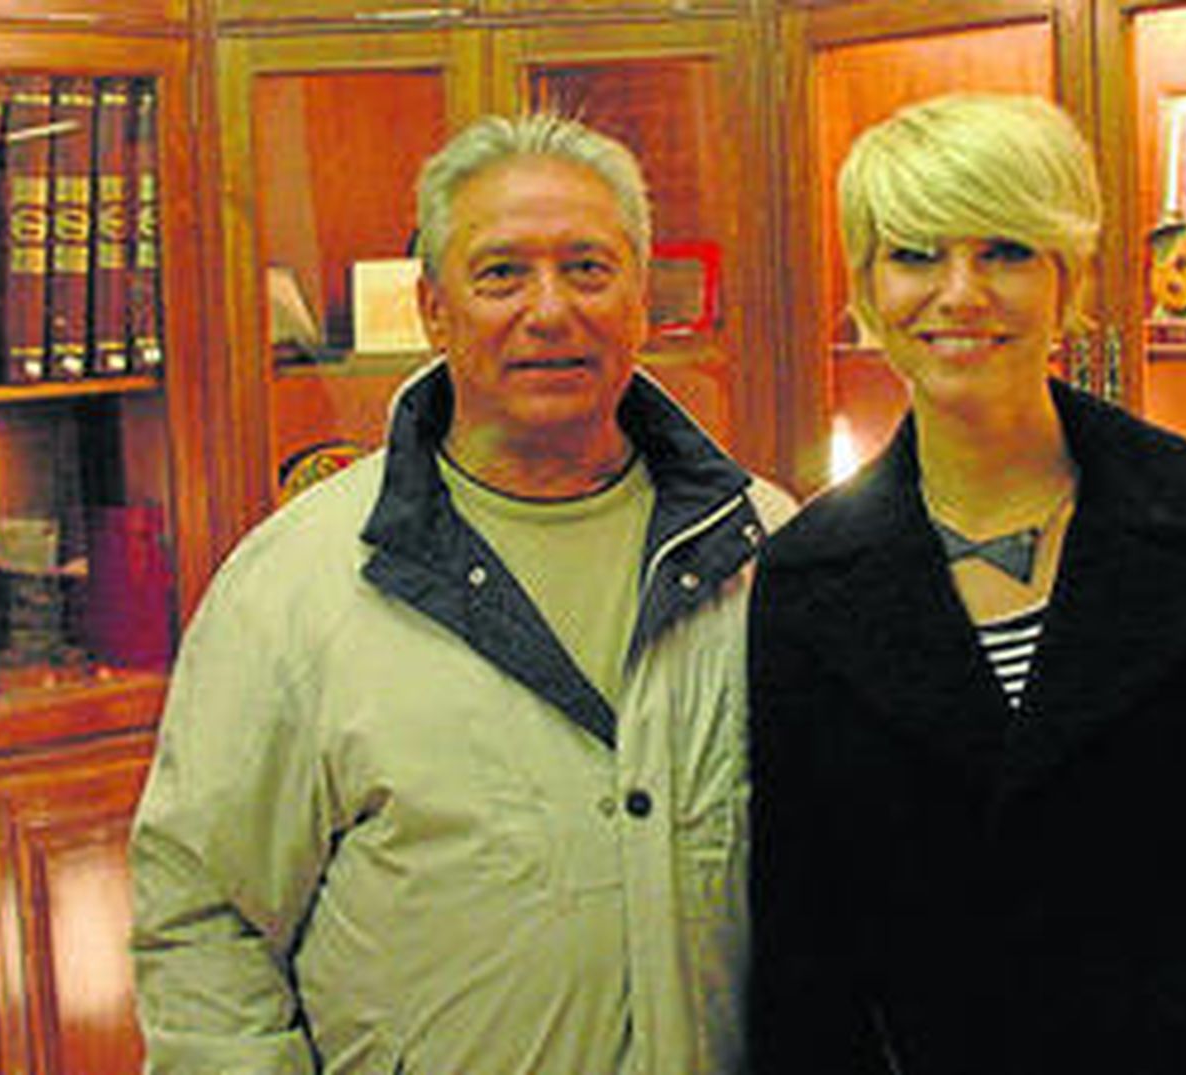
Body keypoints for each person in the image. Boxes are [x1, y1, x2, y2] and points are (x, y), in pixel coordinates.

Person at [130, 112, 793, 1074]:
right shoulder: (296, 585)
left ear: (643, 299)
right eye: (501, 274)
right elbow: (204, 919)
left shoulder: (765, 551)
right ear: (434, 310)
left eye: (589, 268)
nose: (551, 309)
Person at [747, 93, 1186, 1074]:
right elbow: (806, 946)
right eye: (915, 253)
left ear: (1068, 279)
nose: (960, 292)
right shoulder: (804, 577)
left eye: (1005, 250)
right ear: (867, 289)